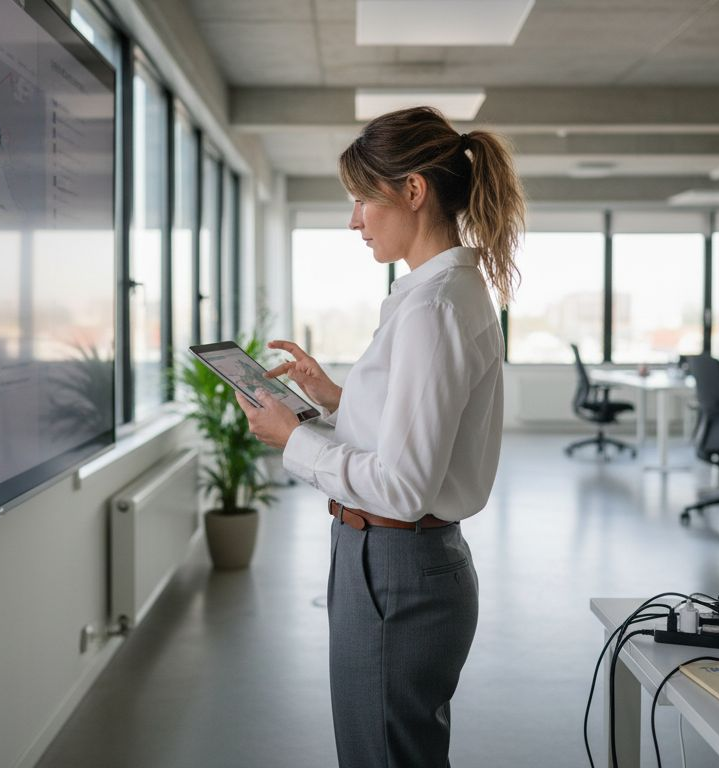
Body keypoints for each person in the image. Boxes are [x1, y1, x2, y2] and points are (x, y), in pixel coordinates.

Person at [236, 105, 525, 768]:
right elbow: (415, 428)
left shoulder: (434, 306)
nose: (355, 220)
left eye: (363, 199)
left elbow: (401, 484)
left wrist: (292, 438)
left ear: (413, 190)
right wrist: (333, 398)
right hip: (398, 564)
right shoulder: (442, 294)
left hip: (396, 569)